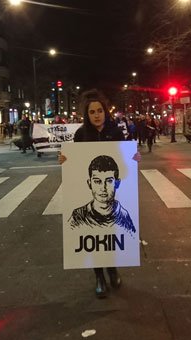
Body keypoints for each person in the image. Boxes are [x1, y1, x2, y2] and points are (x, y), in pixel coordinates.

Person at [58, 88, 140, 299]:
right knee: (93, 235)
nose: (96, 115)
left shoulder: (115, 131)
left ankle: (112, 271)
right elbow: (76, 164)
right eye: (92, 112)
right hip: (90, 196)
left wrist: (134, 157)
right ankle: (99, 277)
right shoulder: (81, 134)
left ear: (105, 112)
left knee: (111, 235)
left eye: (99, 111)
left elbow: (123, 160)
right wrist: (65, 161)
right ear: (87, 114)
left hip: (115, 195)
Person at [68, 155, 136, 235]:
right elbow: (70, 238)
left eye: (109, 181)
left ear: (117, 183)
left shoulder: (124, 217)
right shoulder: (78, 216)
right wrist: (66, 161)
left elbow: (132, 238)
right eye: (97, 181)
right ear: (89, 184)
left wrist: (134, 158)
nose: (103, 188)